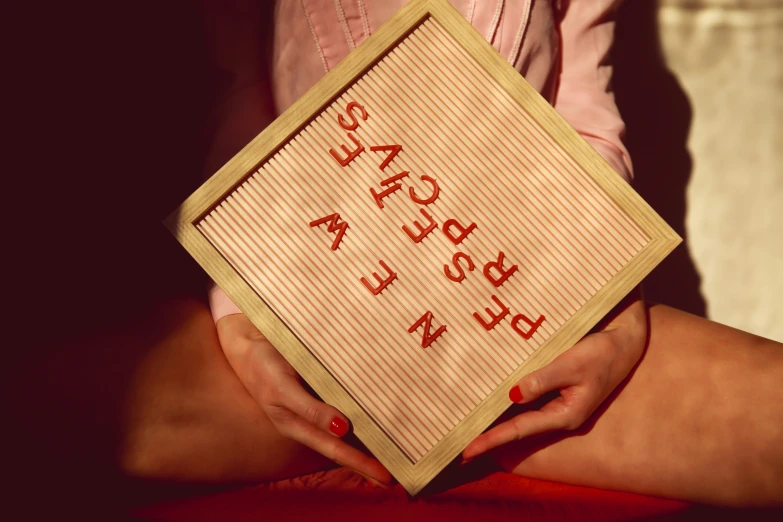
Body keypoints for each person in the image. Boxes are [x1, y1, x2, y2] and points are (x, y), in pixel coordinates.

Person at [161, 0, 781, 504]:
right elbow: (242, 117)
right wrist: (242, 314)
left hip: (521, 335)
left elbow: (586, 124)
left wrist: (611, 300)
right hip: (299, 326)